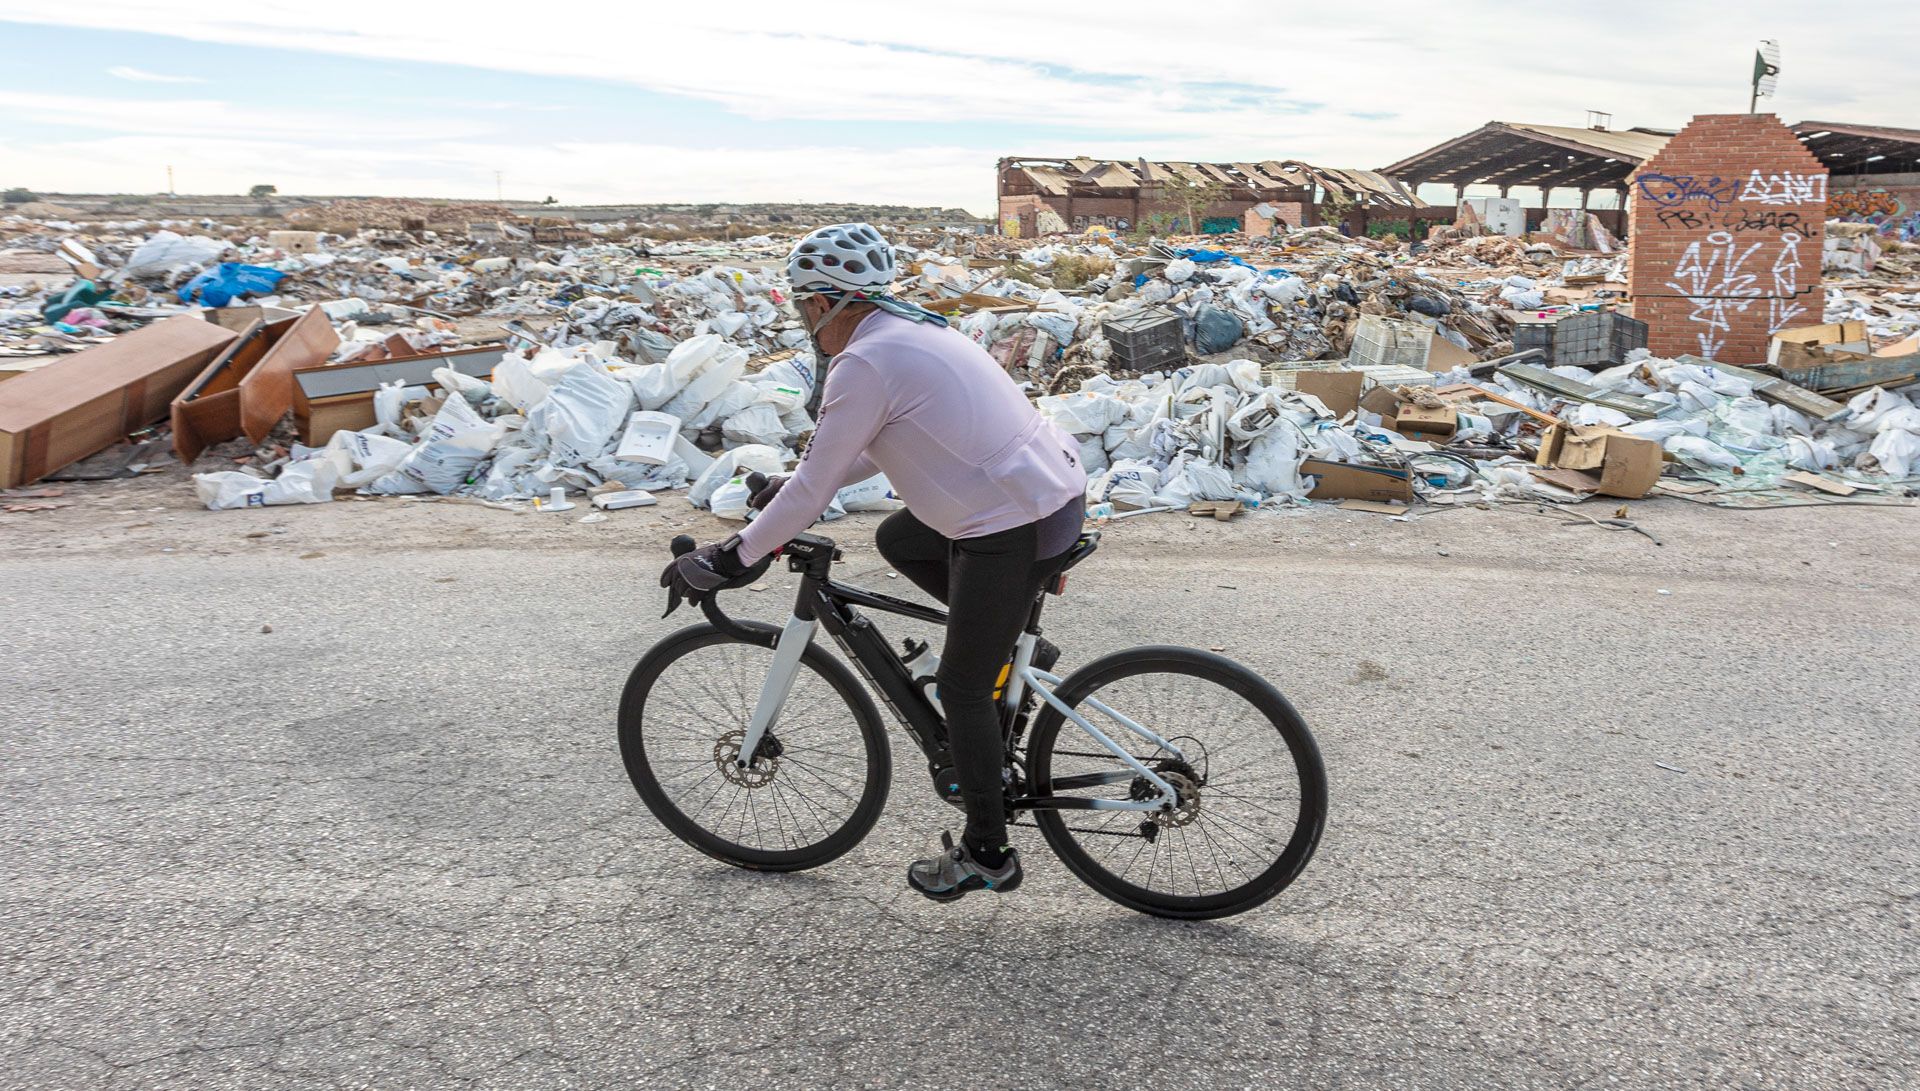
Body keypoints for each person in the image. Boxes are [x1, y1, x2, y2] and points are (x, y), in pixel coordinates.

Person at [661, 223, 1086, 902]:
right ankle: (997, 638)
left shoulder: (865, 360)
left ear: (830, 303)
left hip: (1014, 520)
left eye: (803, 306)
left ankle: (988, 853)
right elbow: (849, 457)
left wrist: (735, 555)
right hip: (1042, 493)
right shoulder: (911, 331)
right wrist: (797, 486)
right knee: (900, 538)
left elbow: (813, 488)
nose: (803, 321)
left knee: (963, 687)